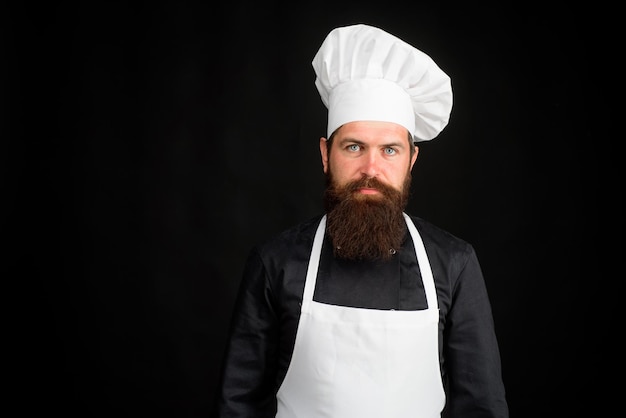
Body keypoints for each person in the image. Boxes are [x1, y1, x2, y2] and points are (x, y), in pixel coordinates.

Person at [213, 23, 509, 417]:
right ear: (325, 154)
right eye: (354, 147)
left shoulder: (453, 264)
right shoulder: (275, 262)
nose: (371, 168)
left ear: (411, 161)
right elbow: (237, 404)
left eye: (389, 150)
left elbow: (483, 407)